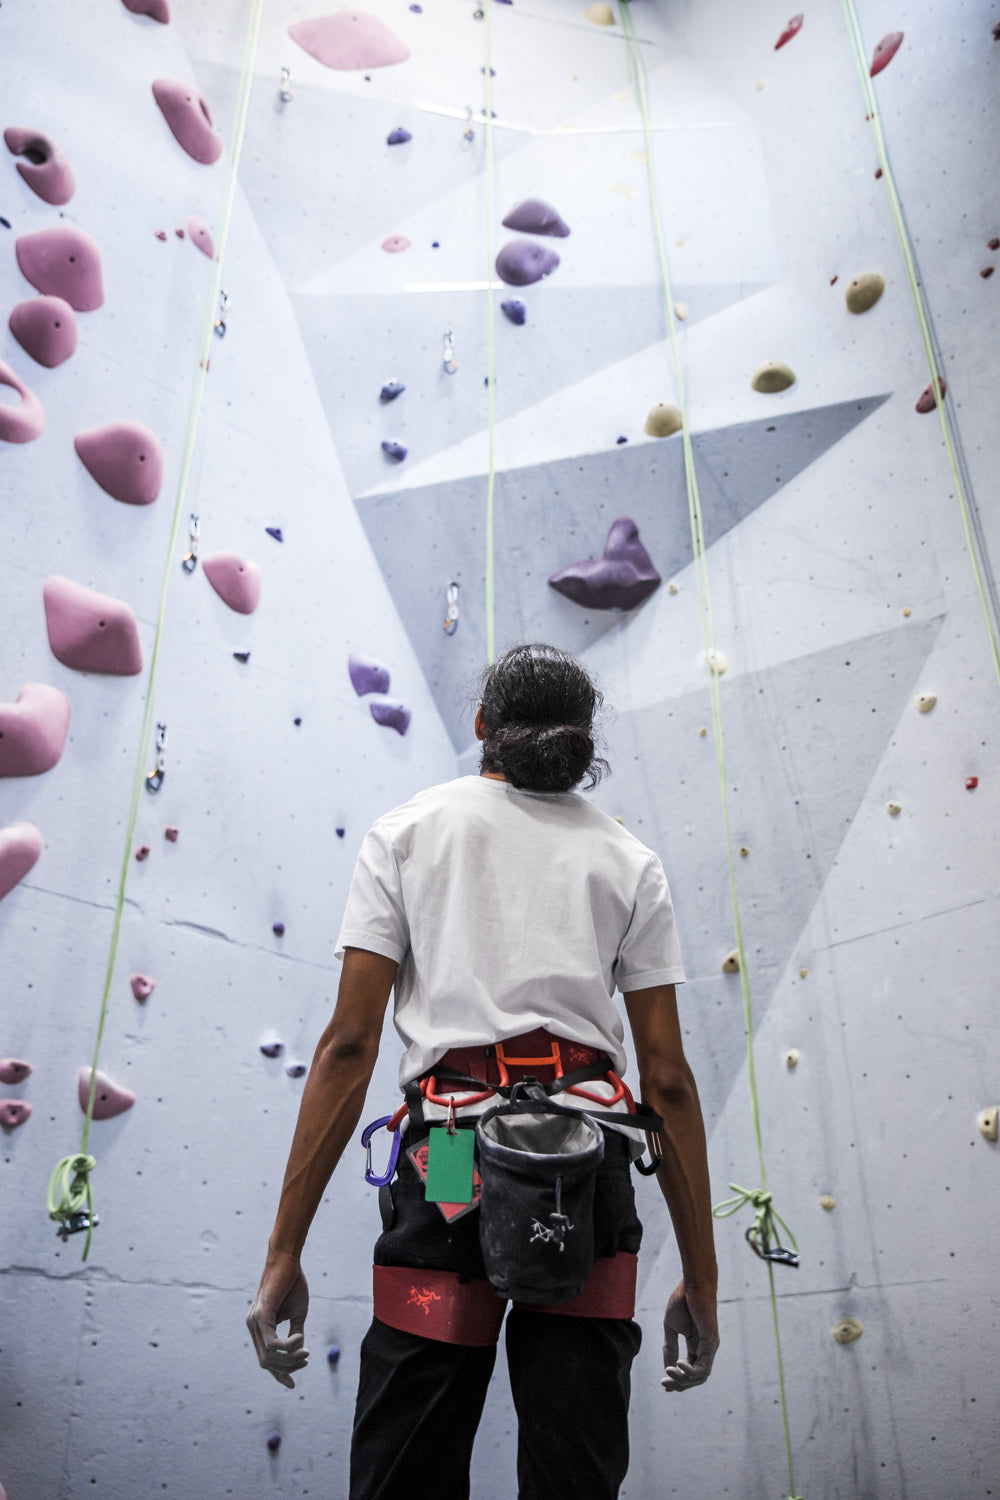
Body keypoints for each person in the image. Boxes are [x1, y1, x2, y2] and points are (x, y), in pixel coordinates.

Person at [247, 643, 719, 1500]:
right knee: (572, 1472)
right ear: (583, 744)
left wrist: (284, 1251)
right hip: (583, 1173)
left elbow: (349, 1047)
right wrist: (704, 1278)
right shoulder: (628, 862)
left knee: (409, 1462)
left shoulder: (407, 834)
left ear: (481, 728)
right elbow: (669, 1080)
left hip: (452, 1163)